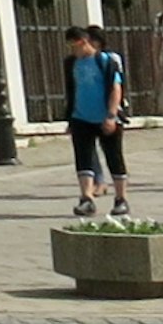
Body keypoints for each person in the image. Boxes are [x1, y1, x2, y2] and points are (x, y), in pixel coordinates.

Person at [61, 22, 131, 216]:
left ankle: (121, 199)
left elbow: (116, 89)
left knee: (114, 158)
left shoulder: (105, 61)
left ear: (84, 41)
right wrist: (70, 119)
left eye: (74, 46)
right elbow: (72, 89)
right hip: (80, 117)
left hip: (106, 118)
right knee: (83, 159)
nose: (72, 50)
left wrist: (111, 115)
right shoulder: (71, 63)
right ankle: (86, 198)